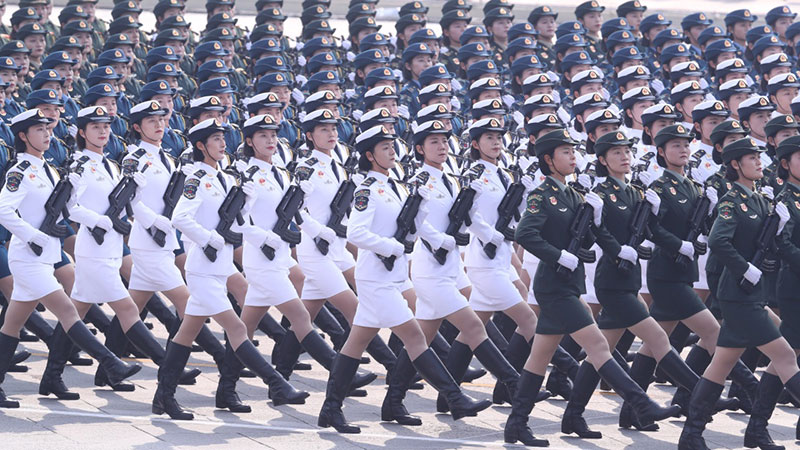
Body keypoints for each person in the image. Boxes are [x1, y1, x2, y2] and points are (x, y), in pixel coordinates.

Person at [508, 128, 680, 447]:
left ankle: (517, 423)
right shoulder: (541, 195)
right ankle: (641, 404)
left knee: (540, 355)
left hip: (569, 283)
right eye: (565, 152)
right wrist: (557, 255)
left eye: (573, 151)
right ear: (548, 159)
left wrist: (595, 221)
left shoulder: (576, 195)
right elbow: (525, 234)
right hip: (553, 287)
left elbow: (584, 241)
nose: (573, 157)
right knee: (599, 345)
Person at [317, 124, 491, 434]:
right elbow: (355, 232)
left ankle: (335, 408)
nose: (392, 152)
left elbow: (409, 225)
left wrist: (421, 207)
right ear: (370, 155)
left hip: (392, 275)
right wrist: (389, 246)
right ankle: (455, 398)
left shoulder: (395, 185)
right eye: (384, 148)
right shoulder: (367, 189)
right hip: (375, 278)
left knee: (357, 341)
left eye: (392, 146)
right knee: (414, 336)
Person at [153, 118, 308, 421]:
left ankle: (164, 396)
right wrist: (207, 238)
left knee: (186, 332)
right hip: (202, 269)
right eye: (215, 139)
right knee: (236, 329)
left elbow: (235, 222)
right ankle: (277, 383)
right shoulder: (197, 178)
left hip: (220, 267)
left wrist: (247, 203)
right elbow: (180, 218)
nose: (223, 144)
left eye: (223, 138)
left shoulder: (225, 178)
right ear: (201, 146)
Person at [0, 108, 140, 408]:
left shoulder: (50, 170)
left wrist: (74, 192)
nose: (47, 135)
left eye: (48, 130)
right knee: (67, 310)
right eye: (39, 130)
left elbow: (65, 210)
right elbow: (3, 210)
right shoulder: (19, 172)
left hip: (45, 256)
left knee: (12, 324)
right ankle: (111, 363)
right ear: (23, 135)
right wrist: (30, 235)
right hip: (27, 257)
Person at [236, 113, 376, 410]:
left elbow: (294, 212)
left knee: (242, 328)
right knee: (301, 317)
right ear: (249, 141)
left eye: (273, 135)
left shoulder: (281, 172)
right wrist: (264, 238)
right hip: (260, 258)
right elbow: (238, 221)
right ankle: (339, 374)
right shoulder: (246, 175)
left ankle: (229, 387)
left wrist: (308, 228)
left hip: (280, 256)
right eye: (262, 136)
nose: (271, 140)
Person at [384, 119, 519, 426]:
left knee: (422, 337)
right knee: (473, 326)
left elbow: (468, 216)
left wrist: (487, 226)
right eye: (433, 142)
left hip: (451, 267)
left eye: (445, 141)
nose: (442, 146)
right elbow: (414, 221)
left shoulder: (453, 179)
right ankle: (516, 385)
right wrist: (438, 239)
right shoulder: (417, 180)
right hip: (430, 270)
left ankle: (392, 402)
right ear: (420, 149)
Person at [679, 137, 800, 450]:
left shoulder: (760, 200)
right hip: (738, 293)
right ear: (735, 164)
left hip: (751, 293)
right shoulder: (732, 200)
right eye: (751, 159)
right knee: (785, 355)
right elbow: (718, 240)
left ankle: (693, 434)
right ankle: (750, 430)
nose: (759, 162)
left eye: (759, 158)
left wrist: (777, 231)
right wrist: (744, 268)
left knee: (722, 362)